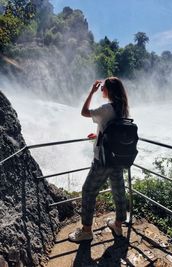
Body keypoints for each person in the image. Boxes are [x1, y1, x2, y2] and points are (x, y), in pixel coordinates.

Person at [68, 77, 129, 242]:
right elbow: (113, 129)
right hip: (117, 158)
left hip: (102, 160)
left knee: (88, 191)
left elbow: (84, 112)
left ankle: (87, 231)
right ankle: (118, 225)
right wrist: (99, 134)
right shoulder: (123, 108)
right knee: (119, 191)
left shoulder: (106, 108)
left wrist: (91, 92)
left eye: (102, 88)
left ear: (108, 90)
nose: (101, 90)